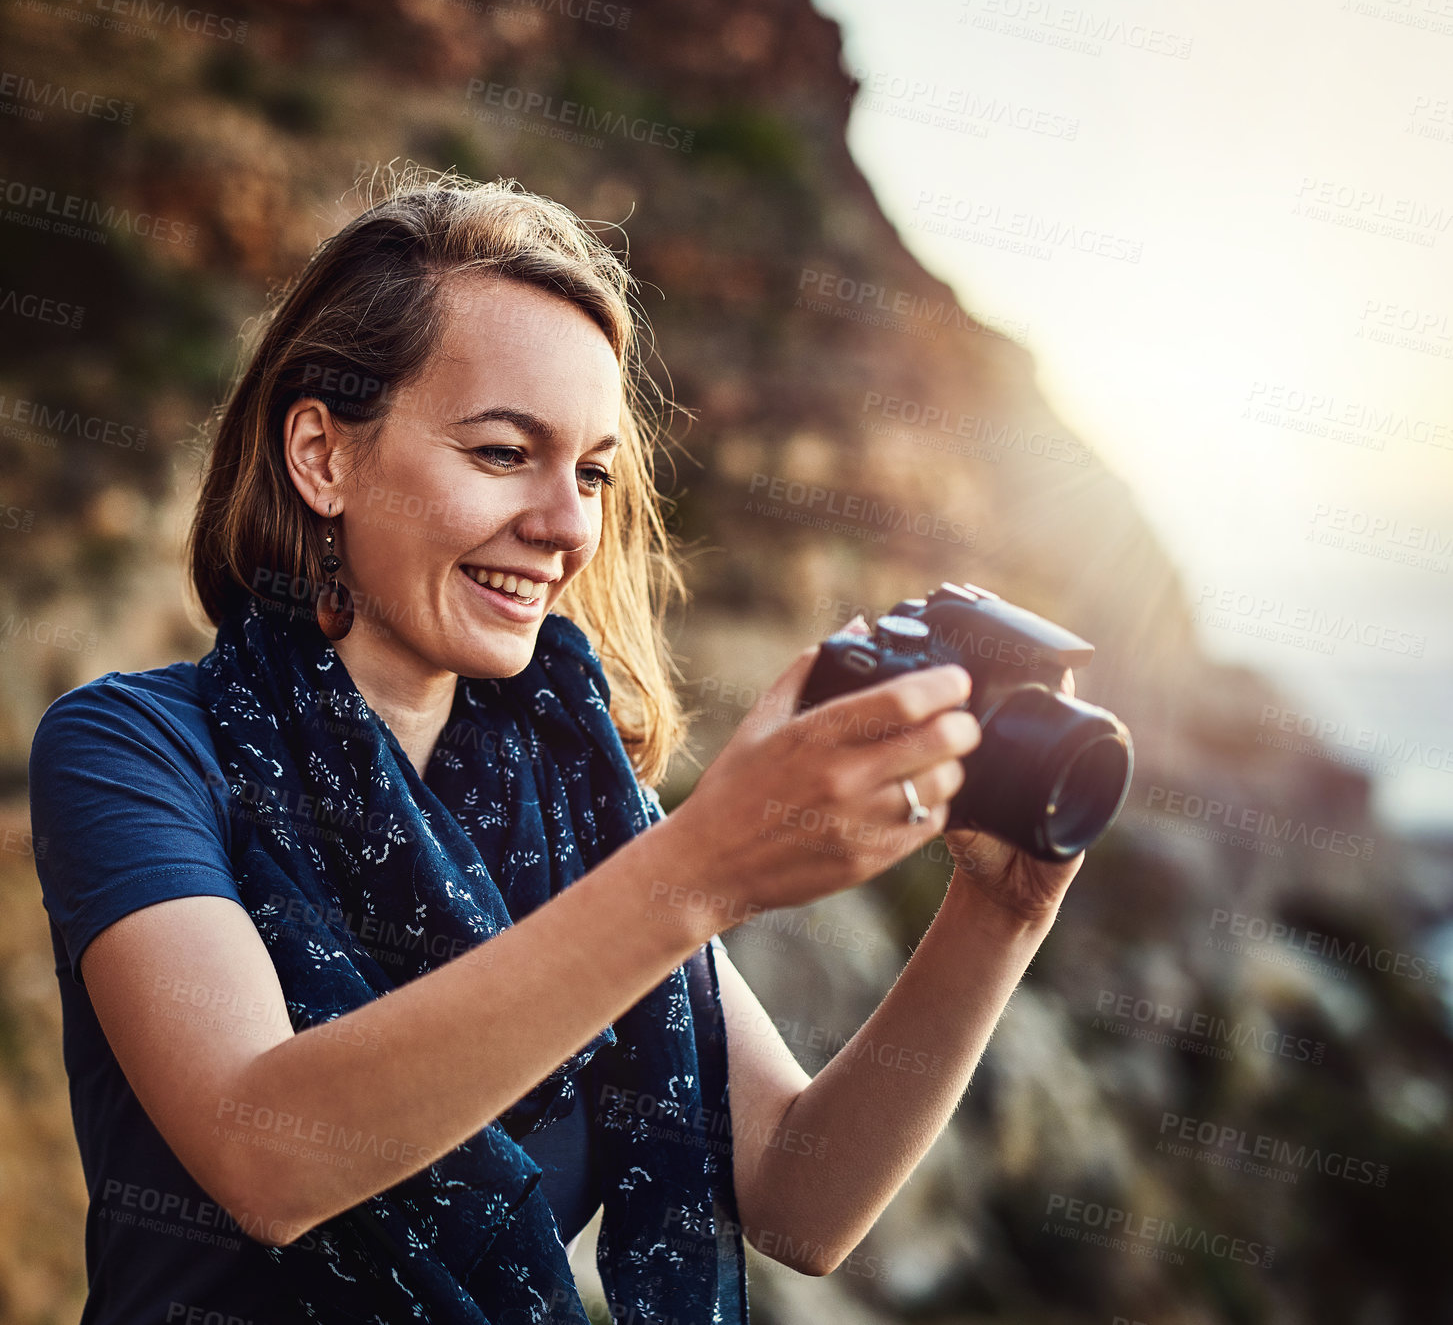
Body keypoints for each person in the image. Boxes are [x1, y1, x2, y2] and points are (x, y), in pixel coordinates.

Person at [28, 170, 1086, 1324]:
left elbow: (801, 1196)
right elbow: (265, 1154)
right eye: (500, 453)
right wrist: (697, 873)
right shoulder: (133, 749)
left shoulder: (581, 805)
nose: (567, 525)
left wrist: (999, 915)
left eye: (589, 471)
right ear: (322, 455)